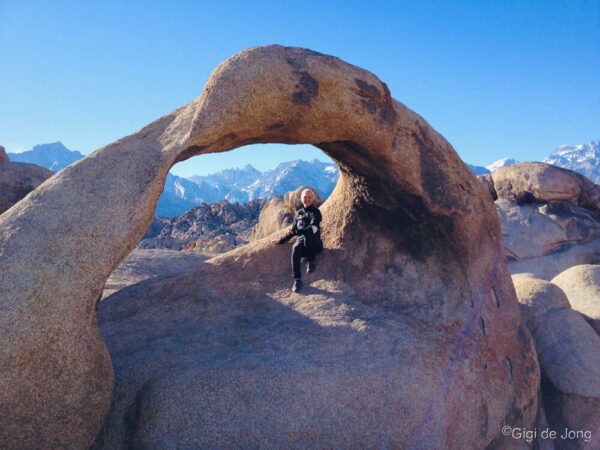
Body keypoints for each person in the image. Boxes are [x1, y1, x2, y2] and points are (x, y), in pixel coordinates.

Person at [272, 188, 323, 292]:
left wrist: (297, 232)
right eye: (305, 197)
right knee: (295, 247)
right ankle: (297, 280)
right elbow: (293, 230)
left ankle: (311, 258)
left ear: (312, 199)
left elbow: (313, 229)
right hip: (302, 242)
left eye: (309, 197)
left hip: (315, 244)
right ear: (301, 199)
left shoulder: (316, 212)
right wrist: (281, 240)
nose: (307, 199)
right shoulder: (298, 213)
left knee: (309, 235)